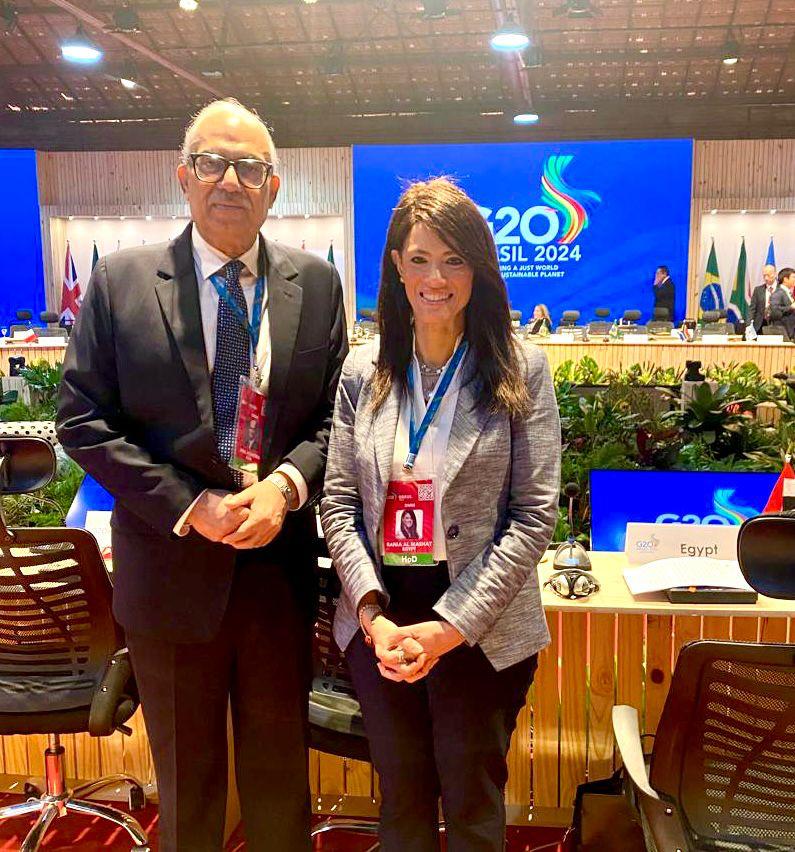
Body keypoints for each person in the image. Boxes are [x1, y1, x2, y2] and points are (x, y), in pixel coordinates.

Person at [56, 99, 347, 852]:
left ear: (273, 187)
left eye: (249, 168)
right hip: (169, 576)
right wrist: (191, 507)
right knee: (187, 795)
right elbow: (82, 422)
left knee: (280, 788)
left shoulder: (317, 286)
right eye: (212, 163)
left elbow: (334, 422)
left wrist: (285, 487)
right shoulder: (119, 283)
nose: (229, 180)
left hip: (277, 580)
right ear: (183, 176)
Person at [321, 178, 561, 851]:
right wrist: (372, 615)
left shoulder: (521, 368)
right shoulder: (361, 371)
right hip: (382, 612)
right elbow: (337, 502)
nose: (436, 279)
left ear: (478, 269)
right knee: (401, 800)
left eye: (454, 260)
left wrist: (450, 628)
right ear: (397, 266)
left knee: (471, 802)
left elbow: (533, 516)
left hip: (481, 621)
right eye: (420, 259)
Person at [749, 264, 779, 333]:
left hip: (777, 325)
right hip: (760, 325)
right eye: (764, 275)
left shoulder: (782, 289)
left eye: (768, 275)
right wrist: (749, 325)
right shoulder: (758, 290)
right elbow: (752, 309)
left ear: (775, 274)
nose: (766, 278)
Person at [770, 267, 795, 340]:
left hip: (790, 333)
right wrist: (791, 307)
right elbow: (774, 311)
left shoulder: (788, 293)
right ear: (785, 279)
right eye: (793, 277)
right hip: (783, 333)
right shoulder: (778, 293)